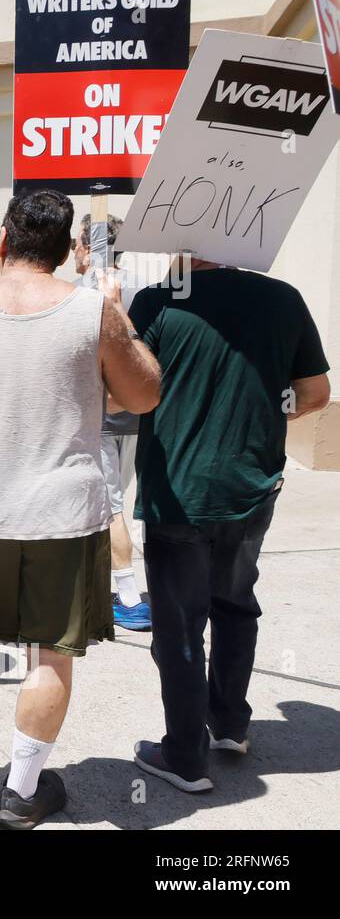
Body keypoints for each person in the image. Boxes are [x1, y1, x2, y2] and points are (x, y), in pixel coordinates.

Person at [0, 190, 161, 828]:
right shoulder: (90, 310)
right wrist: (113, 310)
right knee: (49, 652)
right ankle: (21, 793)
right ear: (64, 249)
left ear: (2, 241)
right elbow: (144, 394)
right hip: (61, 515)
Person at [129, 259, 330, 794]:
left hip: (178, 491)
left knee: (179, 625)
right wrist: (256, 414)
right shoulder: (283, 298)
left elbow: (124, 395)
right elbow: (314, 395)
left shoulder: (158, 301)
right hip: (252, 487)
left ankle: (185, 756)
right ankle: (230, 726)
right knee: (236, 604)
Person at [74, 213, 149, 631]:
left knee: (110, 506)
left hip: (98, 410)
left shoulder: (82, 291)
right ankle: (102, 584)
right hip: (136, 408)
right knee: (116, 497)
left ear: (89, 245)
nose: (73, 253)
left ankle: (128, 594)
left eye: (77, 245)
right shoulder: (146, 284)